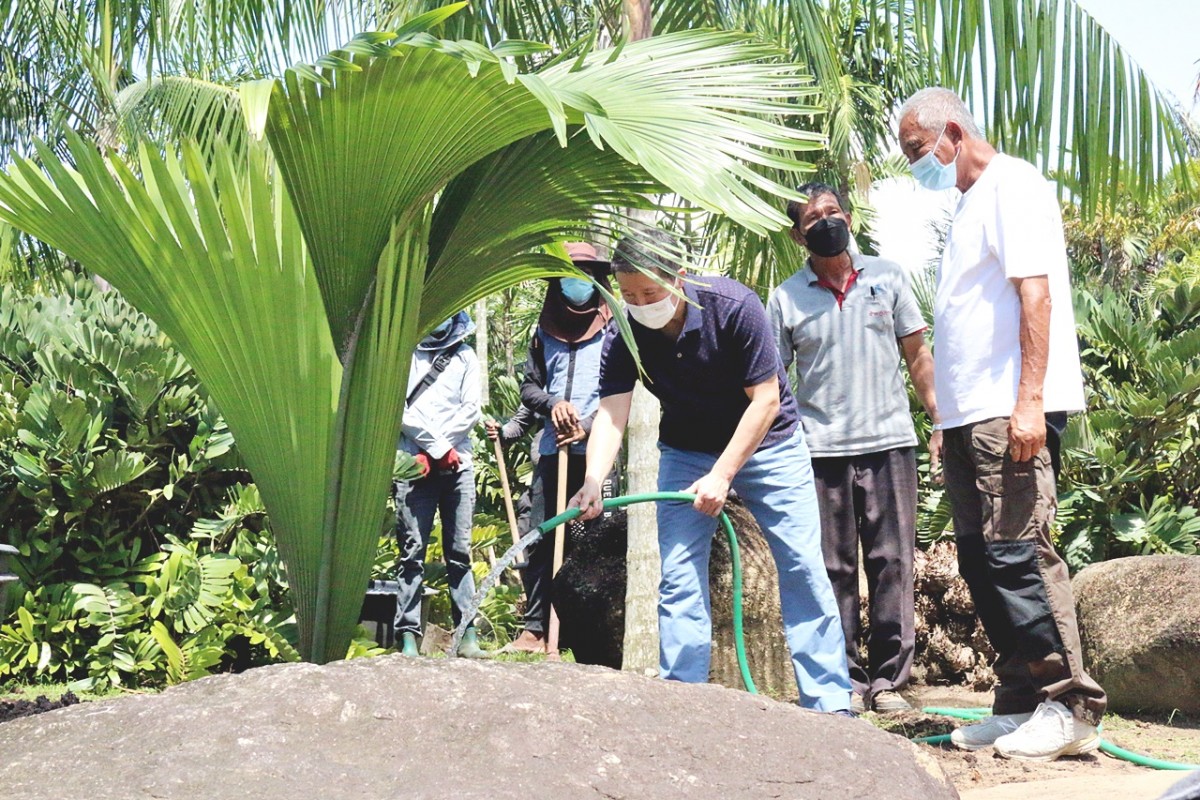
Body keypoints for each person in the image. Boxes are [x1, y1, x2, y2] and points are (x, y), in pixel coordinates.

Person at [898, 86, 1106, 760]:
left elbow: (1035, 296)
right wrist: (944, 419)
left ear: (952, 131)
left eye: (916, 150)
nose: (915, 165)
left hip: (1009, 407)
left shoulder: (1013, 185)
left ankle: (1071, 705)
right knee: (982, 561)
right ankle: (1020, 703)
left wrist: (1028, 401)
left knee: (1019, 554)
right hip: (969, 416)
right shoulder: (966, 205)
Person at [570, 228, 854, 714]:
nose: (641, 304)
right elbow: (613, 413)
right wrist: (593, 479)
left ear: (678, 278)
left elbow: (765, 400)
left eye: (651, 293)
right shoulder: (624, 330)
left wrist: (723, 475)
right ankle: (686, 705)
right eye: (630, 295)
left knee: (802, 567)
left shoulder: (733, 306)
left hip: (769, 444)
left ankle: (830, 703)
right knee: (679, 574)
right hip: (686, 450)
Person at [769, 182, 940, 714]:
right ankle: (843, 678)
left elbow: (918, 355)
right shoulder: (785, 298)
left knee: (892, 562)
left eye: (832, 211)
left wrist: (940, 422)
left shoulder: (887, 278)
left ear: (848, 217)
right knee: (832, 569)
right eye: (812, 218)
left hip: (889, 444)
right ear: (799, 235)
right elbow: (773, 383)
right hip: (819, 452)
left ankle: (889, 682)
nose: (826, 221)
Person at [510, 242, 618, 654]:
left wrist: (589, 426)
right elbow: (529, 388)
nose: (577, 283)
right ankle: (536, 629)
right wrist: (554, 405)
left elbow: (621, 392)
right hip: (553, 452)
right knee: (540, 538)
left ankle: (582, 633)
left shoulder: (613, 329)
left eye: (585, 274)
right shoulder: (543, 331)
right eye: (568, 274)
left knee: (594, 542)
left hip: (596, 457)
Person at [394, 310, 489, 659]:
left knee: (460, 552)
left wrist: (442, 449)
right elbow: (399, 409)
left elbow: (470, 410)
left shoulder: (465, 355)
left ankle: (467, 634)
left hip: (457, 467)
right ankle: (407, 635)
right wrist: (434, 448)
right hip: (414, 463)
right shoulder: (405, 355)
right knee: (411, 553)